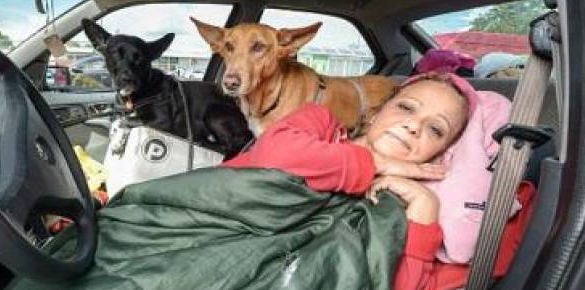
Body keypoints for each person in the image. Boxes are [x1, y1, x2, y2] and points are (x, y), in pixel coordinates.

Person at [222, 71, 534, 289]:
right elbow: (273, 158)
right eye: (406, 107)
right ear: (375, 113)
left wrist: (424, 209)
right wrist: (377, 163)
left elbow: (378, 281)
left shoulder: (405, 204)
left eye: (435, 130)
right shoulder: (319, 123)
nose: (414, 125)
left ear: (439, 154)